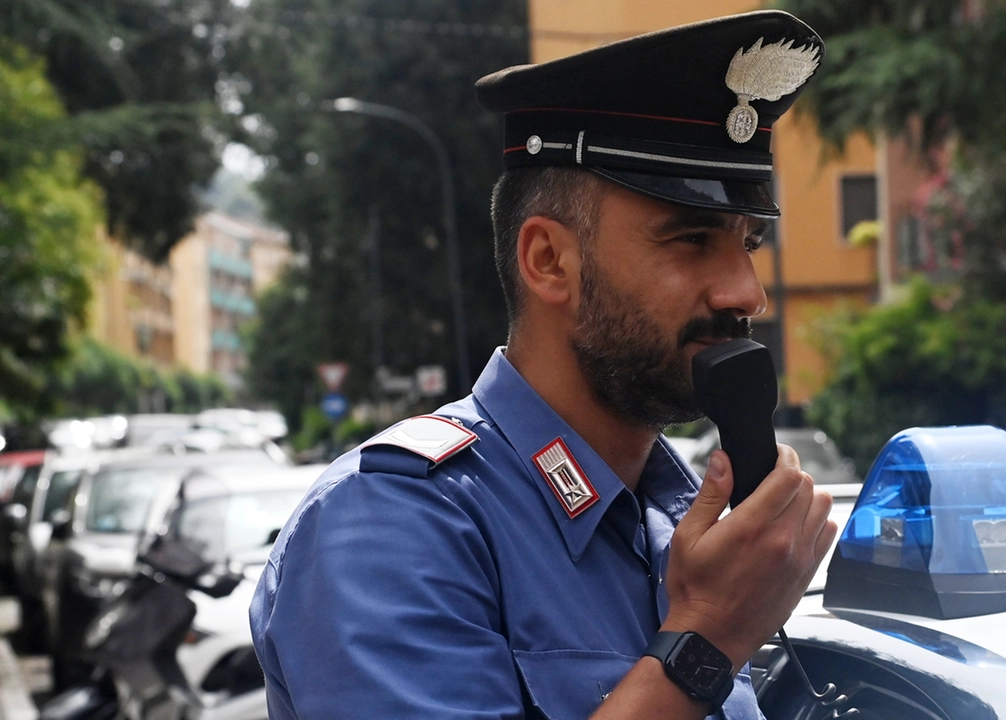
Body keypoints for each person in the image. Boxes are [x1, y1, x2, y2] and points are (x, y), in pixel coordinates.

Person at [250, 10, 836, 719]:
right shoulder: (391, 529)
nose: (746, 291)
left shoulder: (679, 521)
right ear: (548, 261)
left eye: (747, 242)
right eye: (690, 239)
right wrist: (706, 639)